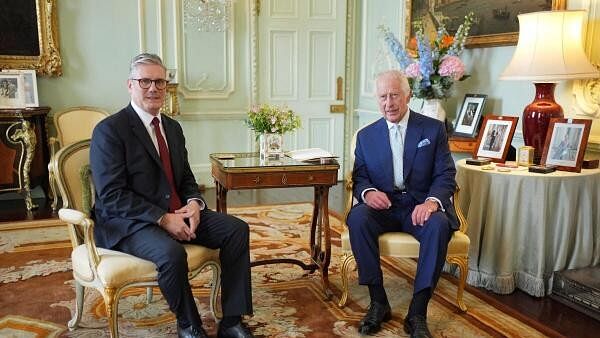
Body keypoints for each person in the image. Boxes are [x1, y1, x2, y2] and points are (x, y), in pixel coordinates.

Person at [90, 53, 254, 338]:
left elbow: (186, 179)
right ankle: (189, 326)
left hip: (175, 211)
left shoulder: (173, 128)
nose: (153, 88)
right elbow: (111, 195)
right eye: (145, 81)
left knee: (236, 230)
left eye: (160, 82)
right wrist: (162, 218)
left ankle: (231, 321)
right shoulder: (110, 130)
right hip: (130, 222)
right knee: (170, 254)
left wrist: (193, 204)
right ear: (130, 85)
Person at [347, 70, 457, 337]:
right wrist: (368, 192)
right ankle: (378, 302)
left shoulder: (431, 129)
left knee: (439, 225)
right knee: (358, 218)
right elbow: (359, 177)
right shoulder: (366, 136)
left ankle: (417, 312)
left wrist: (432, 203)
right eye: (383, 97)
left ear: (407, 95)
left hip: (419, 206)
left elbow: (445, 173)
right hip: (384, 207)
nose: (389, 103)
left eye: (394, 95)